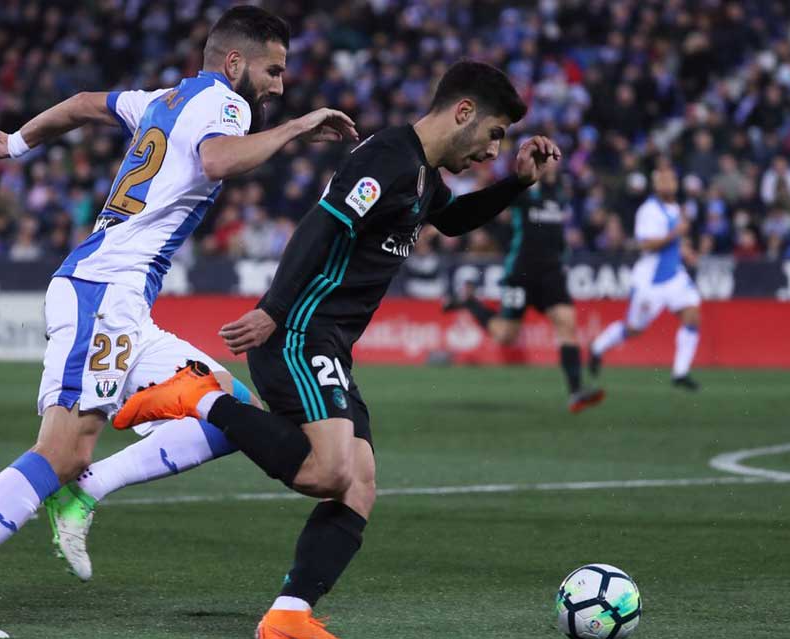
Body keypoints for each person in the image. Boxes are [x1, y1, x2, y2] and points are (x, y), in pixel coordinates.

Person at [0, 7, 357, 638]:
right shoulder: (227, 105)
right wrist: (299, 128)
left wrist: (16, 142)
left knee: (230, 412)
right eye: (273, 70)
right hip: (102, 291)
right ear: (233, 62)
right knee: (60, 449)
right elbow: (219, 162)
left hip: (123, 299)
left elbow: (85, 103)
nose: (280, 84)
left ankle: (86, 489)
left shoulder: (164, 98)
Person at [113, 60, 560, 639]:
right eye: (496, 134)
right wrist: (273, 311)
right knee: (328, 472)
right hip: (300, 331)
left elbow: (451, 221)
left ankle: (289, 615)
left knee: (360, 482)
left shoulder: (422, 175)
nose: (494, 150)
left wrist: (517, 184)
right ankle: (199, 397)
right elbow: (320, 226)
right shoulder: (389, 159)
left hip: (331, 344)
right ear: (463, 112)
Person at [444, 162, 604, 413]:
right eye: (547, 158)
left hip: (552, 273)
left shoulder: (559, 192)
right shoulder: (522, 190)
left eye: (553, 158)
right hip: (521, 273)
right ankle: (470, 302)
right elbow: (497, 200)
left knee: (567, 326)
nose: (552, 162)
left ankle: (575, 392)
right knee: (505, 335)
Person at [588, 165, 703, 390]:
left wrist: (684, 250)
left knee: (693, 315)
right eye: (664, 179)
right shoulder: (649, 210)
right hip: (650, 281)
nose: (669, 183)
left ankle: (680, 373)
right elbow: (647, 244)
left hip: (674, 276)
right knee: (633, 329)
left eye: (671, 178)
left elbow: (673, 242)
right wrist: (675, 234)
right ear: (656, 185)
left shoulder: (675, 208)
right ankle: (597, 348)